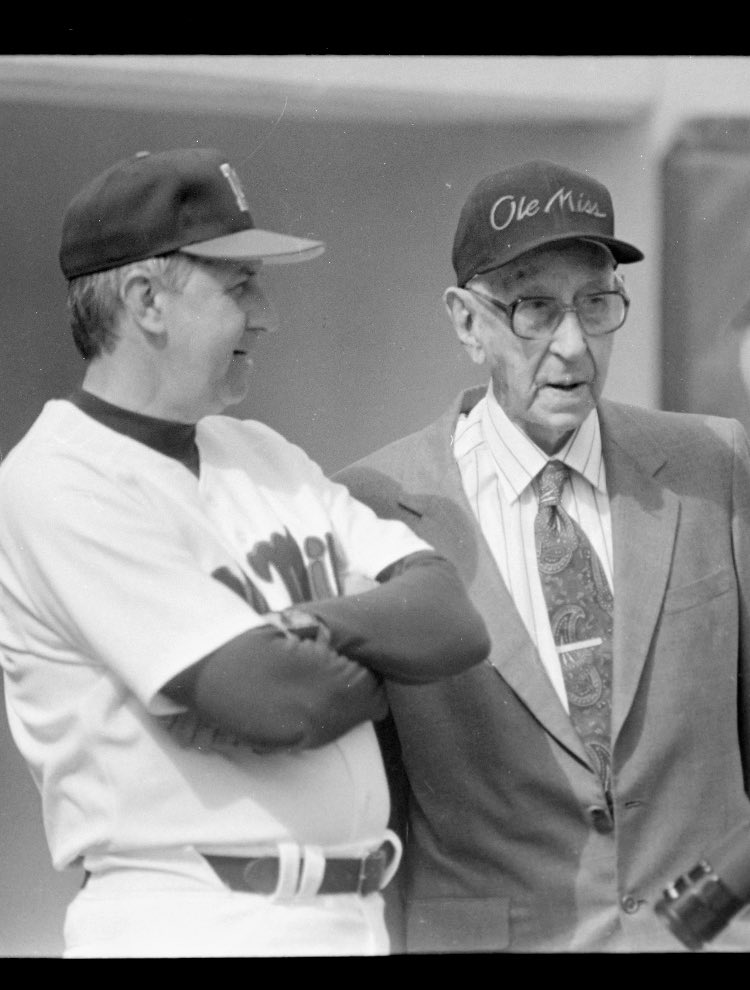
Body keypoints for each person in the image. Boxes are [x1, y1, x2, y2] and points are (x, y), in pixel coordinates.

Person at [0, 147, 490, 958]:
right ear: (145, 299)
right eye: (238, 286)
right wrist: (371, 649)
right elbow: (273, 702)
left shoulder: (257, 451)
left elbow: (448, 619)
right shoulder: (57, 481)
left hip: (351, 915)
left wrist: (301, 626)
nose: (265, 313)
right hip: (189, 917)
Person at [334, 159, 750, 953]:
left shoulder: (711, 464)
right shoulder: (374, 503)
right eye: (534, 309)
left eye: (596, 304)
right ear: (465, 322)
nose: (574, 346)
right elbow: (369, 796)